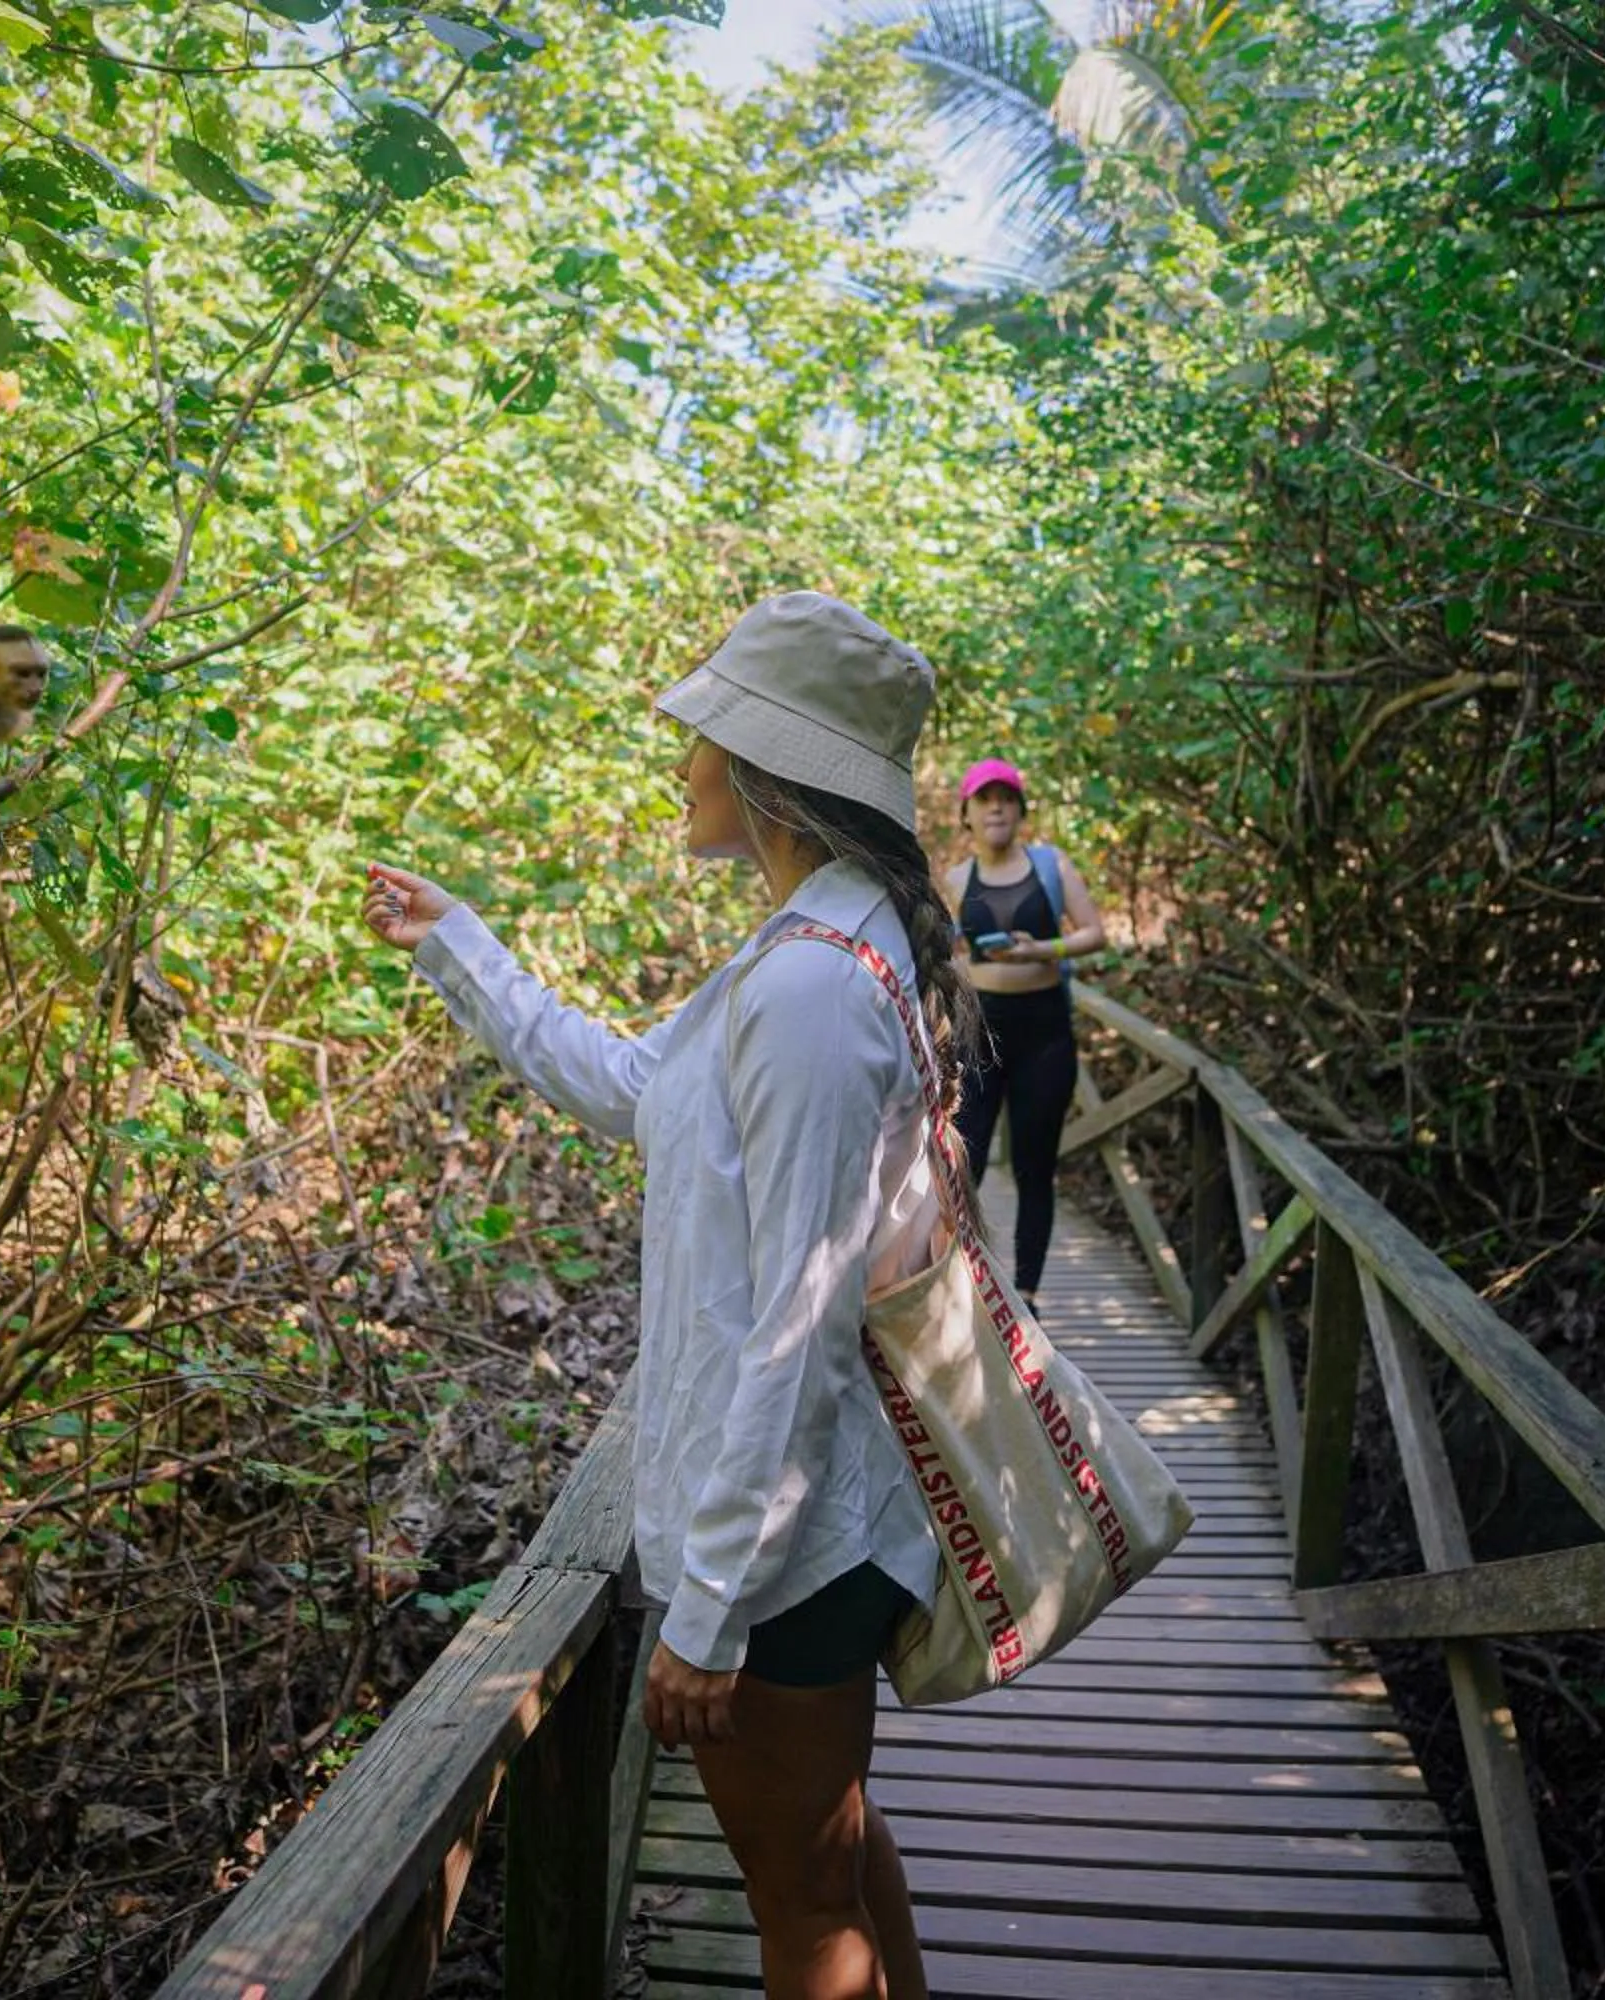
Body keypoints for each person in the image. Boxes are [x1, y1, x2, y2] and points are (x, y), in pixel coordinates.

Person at [361, 592, 970, 2000]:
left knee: (802, 1913)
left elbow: (799, 1326)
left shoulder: (816, 992)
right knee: (835, 1858)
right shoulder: (805, 950)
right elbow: (641, 1095)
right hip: (802, 1534)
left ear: (770, 774)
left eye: (700, 738)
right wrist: (466, 947)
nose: (681, 764)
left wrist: (709, 1608)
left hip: (793, 1555)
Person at [943, 758, 1106, 1310]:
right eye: (984, 799)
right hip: (979, 1032)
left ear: (1020, 811)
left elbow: (1094, 933)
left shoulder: (1051, 866)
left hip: (1044, 1032)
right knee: (966, 1159)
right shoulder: (956, 880)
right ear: (966, 813)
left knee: (1036, 1165)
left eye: (1006, 798)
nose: (996, 807)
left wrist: (1044, 950)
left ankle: (1028, 1293)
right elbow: (943, 957)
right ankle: (966, 1280)